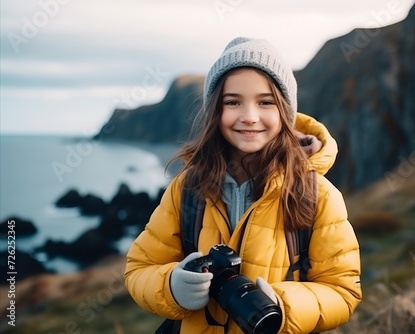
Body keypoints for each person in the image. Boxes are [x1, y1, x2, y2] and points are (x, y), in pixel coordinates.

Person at [125, 37, 362, 334]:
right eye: (233, 102)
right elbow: (138, 269)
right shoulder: (187, 188)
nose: (249, 117)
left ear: (285, 113)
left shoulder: (319, 196)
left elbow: (343, 291)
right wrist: (172, 286)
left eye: (265, 102)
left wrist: (283, 306)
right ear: (215, 110)